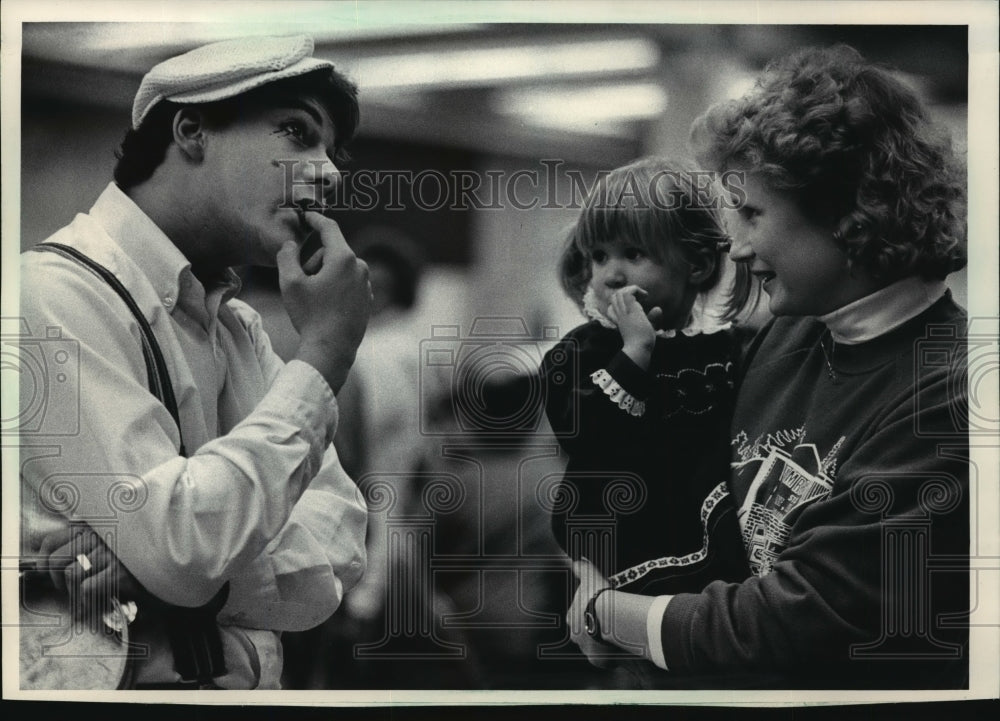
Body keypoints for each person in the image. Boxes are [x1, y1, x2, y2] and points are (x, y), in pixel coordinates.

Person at [566, 44, 969, 689]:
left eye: (753, 212)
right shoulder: (788, 333)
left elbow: (802, 618)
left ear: (848, 213)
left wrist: (612, 614)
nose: (736, 241)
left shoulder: (949, 392)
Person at [18, 35, 372, 689]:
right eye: (298, 132)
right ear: (191, 128)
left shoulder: (238, 329)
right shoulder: (50, 294)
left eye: (331, 151)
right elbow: (185, 546)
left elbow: (341, 536)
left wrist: (186, 578)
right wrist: (324, 352)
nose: (328, 172)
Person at [541, 159, 755, 636]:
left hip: (706, 543)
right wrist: (636, 350)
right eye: (598, 256)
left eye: (633, 254)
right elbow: (586, 435)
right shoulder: (580, 351)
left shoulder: (725, 348)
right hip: (619, 541)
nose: (610, 275)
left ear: (696, 265)